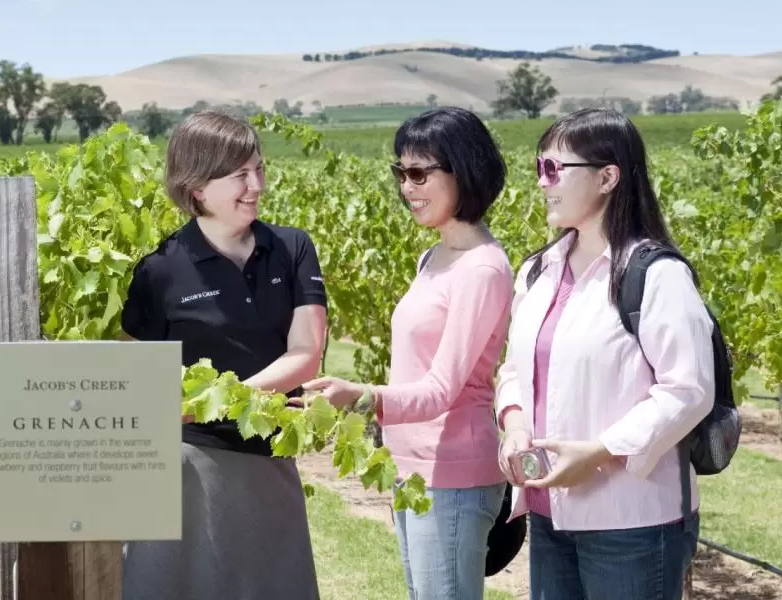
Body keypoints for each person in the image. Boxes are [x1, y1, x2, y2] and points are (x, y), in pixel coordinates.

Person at [494, 107, 714, 599]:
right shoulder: (537, 271)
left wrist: (597, 453)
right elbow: (514, 369)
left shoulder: (656, 275)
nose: (542, 182)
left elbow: (688, 390)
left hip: (631, 521)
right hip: (549, 511)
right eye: (538, 168)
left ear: (607, 177)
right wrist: (513, 426)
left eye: (553, 169)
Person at [302, 106, 515, 600]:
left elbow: (443, 389)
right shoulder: (434, 256)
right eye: (401, 173)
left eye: (419, 173)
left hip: (454, 477)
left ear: (464, 171)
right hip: (416, 469)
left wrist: (361, 396)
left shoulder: (481, 269)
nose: (407, 187)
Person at [118, 110, 328, 600]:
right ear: (196, 188)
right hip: (186, 469)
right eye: (239, 174)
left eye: (259, 168)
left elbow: (307, 353)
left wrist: (214, 399)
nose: (256, 184)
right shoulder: (158, 271)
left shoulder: (292, 249)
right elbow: (138, 375)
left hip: (269, 462)